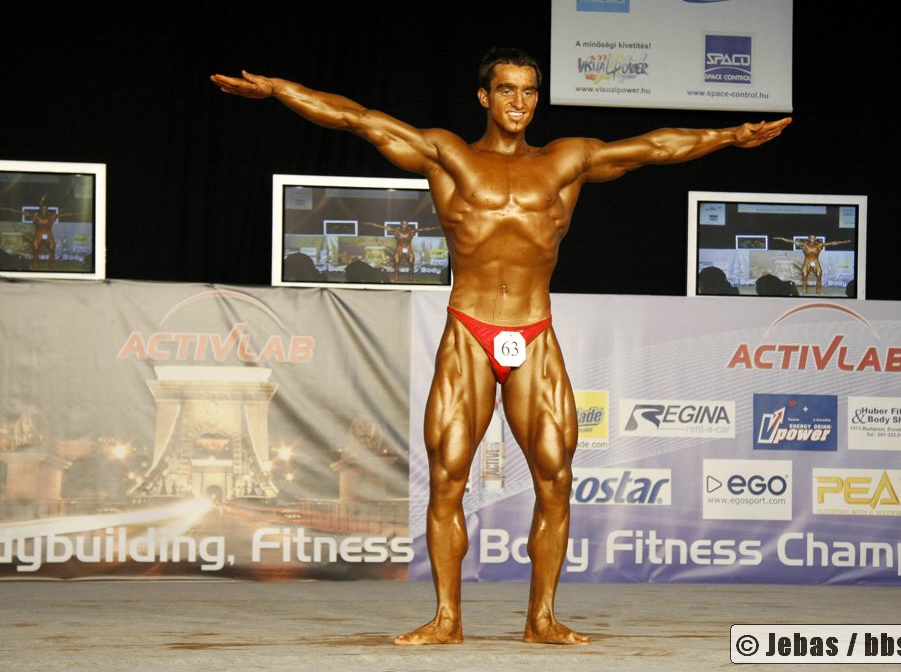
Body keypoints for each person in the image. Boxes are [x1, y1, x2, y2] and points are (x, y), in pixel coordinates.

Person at [211, 47, 790, 646]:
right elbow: (357, 119)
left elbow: (655, 147)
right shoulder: (449, 155)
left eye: (530, 91)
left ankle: (542, 619)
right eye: (507, 90)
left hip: (534, 330)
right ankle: (446, 619)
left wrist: (731, 135)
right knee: (448, 476)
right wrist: (277, 89)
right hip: (470, 328)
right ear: (485, 97)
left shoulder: (566, 160)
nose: (520, 101)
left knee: (555, 476)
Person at [773, 234, 850, 294]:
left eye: (814, 238)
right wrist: (781, 238)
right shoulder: (804, 244)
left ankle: (818, 291)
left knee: (819, 277)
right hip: (807, 262)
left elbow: (832, 243)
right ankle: (805, 291)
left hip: (816, 262)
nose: (812, 239)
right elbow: (791, 241)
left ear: (815, 239)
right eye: (811, 238)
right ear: (808, 238)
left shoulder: (819, 245)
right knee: (804, 277)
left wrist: (844, 242)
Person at [367, 219, 439, 281]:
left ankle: (411, 277)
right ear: (401, 224)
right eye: (403, 223)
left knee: (411, 262)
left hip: (408, 247)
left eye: (406, 223)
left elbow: (423, 229)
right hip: (399, 248)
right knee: (396, 263)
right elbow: (384, 227)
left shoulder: (411, 231)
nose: (404, 225)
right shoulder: (397, 230)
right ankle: (397, 277)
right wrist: (373, 224)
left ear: (407, 224)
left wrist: (434, 228)